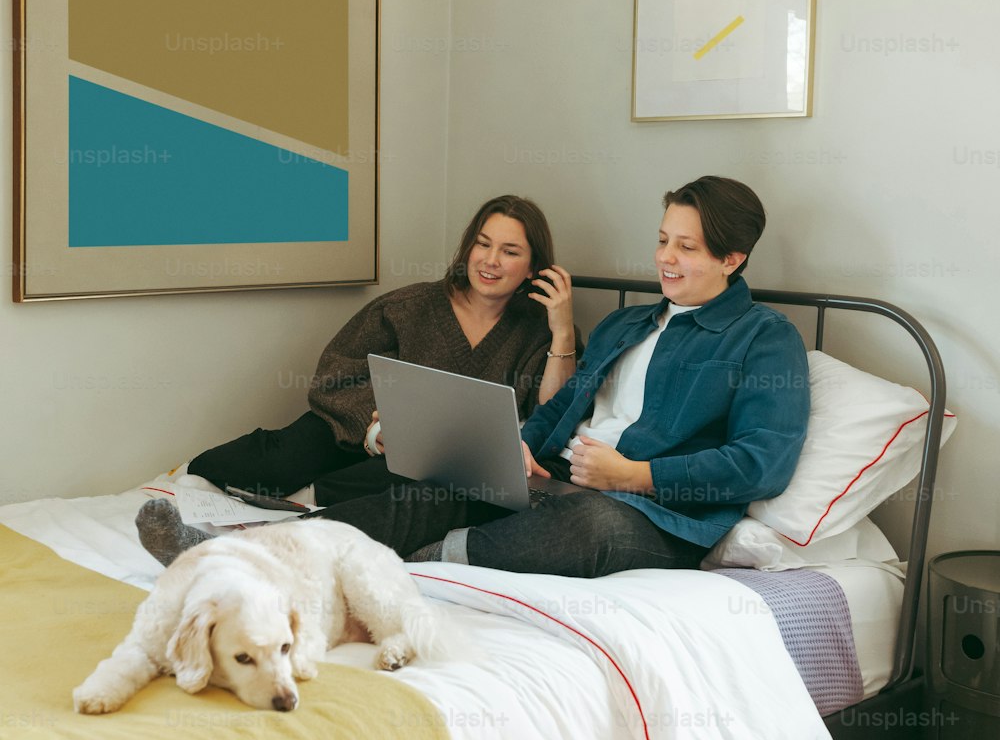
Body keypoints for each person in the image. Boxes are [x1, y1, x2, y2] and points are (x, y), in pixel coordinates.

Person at [142, 177, 809, 580]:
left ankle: (433, 556)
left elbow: (761, 465)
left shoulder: (766, 341)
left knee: (593, 526)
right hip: (554, 486)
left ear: (733, 256)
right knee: (431, 484)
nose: (665, 258)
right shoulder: (629, 327)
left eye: (685, 248)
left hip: (650, 514)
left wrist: (634, 475)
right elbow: (561, 411)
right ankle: (239, 557)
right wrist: (517, 449)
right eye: (663, 239)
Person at [138, 194, 579, 563]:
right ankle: (204, 484)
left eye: (510, 251)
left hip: (430, 463)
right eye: (483, 244)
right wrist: (377, 425)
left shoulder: (539, 330)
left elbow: (553, 413)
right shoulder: (408, 308)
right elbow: (338, 372)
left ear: (534, 265)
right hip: (353, 432)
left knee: (413, 488)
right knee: (266, 464)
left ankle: (291, 516)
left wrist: (561, 329)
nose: (491, 261)